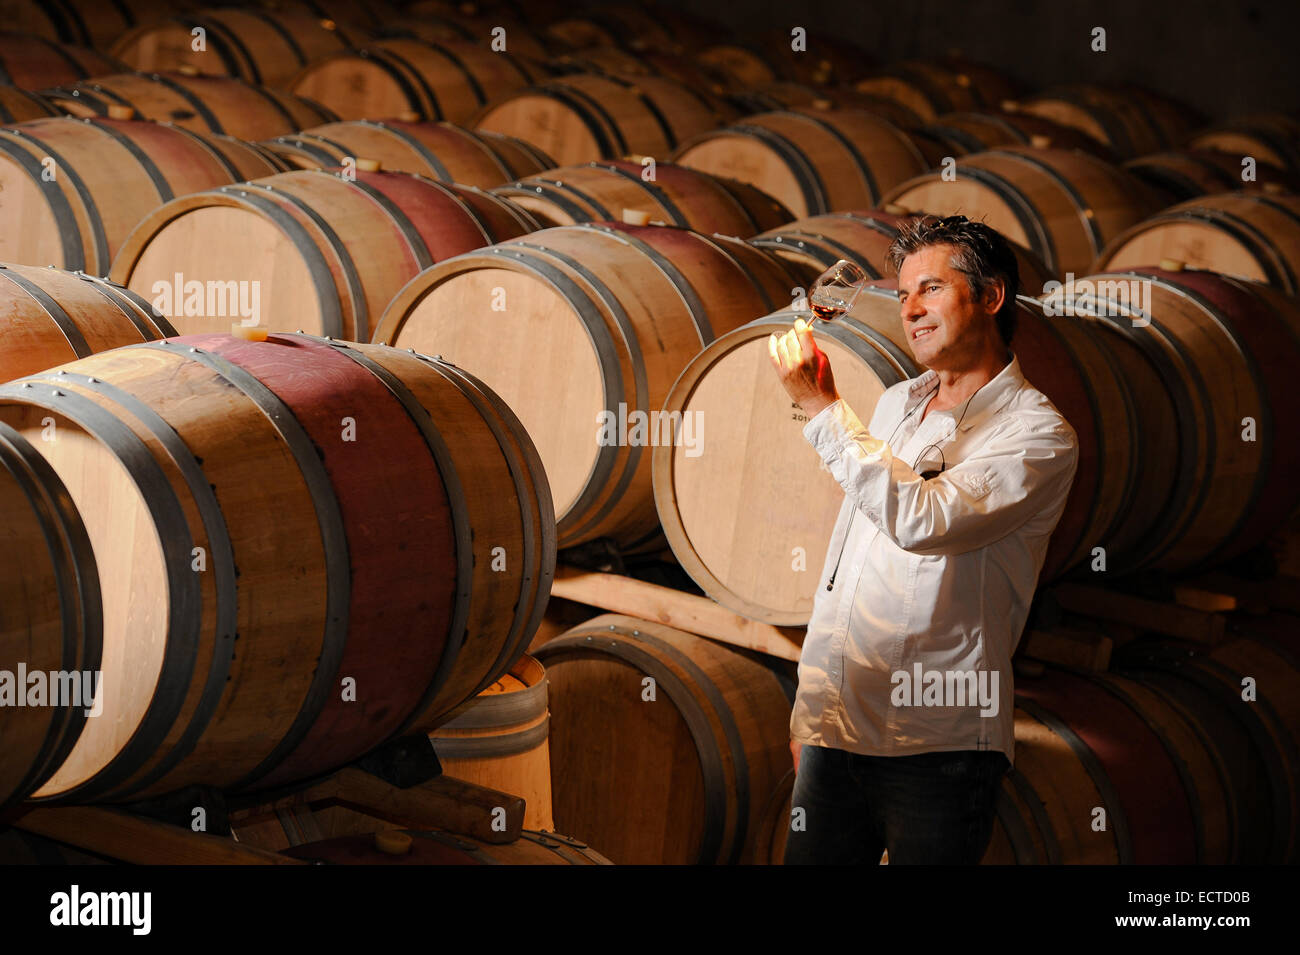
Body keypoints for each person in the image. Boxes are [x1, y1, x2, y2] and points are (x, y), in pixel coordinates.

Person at [767, 214, 1079, 865]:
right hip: (838, 735)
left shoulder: (1037, 435)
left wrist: (823, 410)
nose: (911, 309)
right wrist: (813, 712)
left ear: (991, 296)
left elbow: (923, 521)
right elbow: (845, 568)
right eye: (904, 293)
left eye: (930, 289)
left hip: (939, 748)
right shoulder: (896, 404)